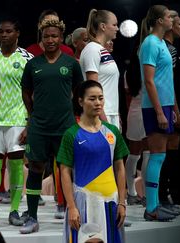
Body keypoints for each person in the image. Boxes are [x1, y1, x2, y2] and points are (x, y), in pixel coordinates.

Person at [19, 19, 83, 234]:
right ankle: (32, 217)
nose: (50, 40)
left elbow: (80, 92)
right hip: (39, 126)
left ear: (61, 37)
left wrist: (76, 117)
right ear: (41, 39)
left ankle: (73, 212)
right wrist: (32, 116)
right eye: (46, 36)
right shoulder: (33, 64)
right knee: (36, 169)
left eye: (54, 36)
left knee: (68, 169)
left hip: (65, 126)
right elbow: (26, 92)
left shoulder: (72, 63)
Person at [58, 80, 128, 243]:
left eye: (100, 98)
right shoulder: (71, 134)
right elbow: (64, 172)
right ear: (80, 101)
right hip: (84, 204)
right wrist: (72, 206)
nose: (98, 103)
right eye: (92, 98)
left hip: (112, 202)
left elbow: (120, 168)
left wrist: (122, 203)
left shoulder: (112, 132)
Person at [0, 16, 33, 226]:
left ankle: (14, 210)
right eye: (1, 31)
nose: (4, 35)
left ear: (17, 33)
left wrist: (30, 122)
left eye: (9, 31)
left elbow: (32, 92)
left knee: (15, 165)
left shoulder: (27, 58)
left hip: (18, 118)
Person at [138, 5, 177, 221]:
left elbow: (165, 81)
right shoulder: (151, 43)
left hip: (164, 105)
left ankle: (156, 203)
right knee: (157, 155)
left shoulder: (160, 42)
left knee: (160, 156)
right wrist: (159, 112)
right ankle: (151, 208)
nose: (172, 20)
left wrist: (170, 109)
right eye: (169, 17)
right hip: (154, 107)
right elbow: (149, 81)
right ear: (160, 21)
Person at [160, 10, 180, 215]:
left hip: (173, 105)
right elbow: (167, 84)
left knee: (171, 151)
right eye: (178, 23)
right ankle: (162, 197)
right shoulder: (168, 50)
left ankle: (166, 196)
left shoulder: (172, 49)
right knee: (165, 152)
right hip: (169, 106)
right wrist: (176, 112)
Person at [79, 9, 120, 129]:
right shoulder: (92, 49)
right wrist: (103, 120)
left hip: (110, 113)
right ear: (103, 26)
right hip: (99, 116)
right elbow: (92, 89)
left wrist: (116, 116)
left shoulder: (101, 50)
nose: (117, 28)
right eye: (114, 25)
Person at [124, 45, 149, 206]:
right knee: (148, 153)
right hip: (147, 112)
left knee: (133, 154)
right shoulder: (148, 71)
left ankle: (131, 193)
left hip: (133, 113)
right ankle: (147, 195)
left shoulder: (128, 73)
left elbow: (127, 99)